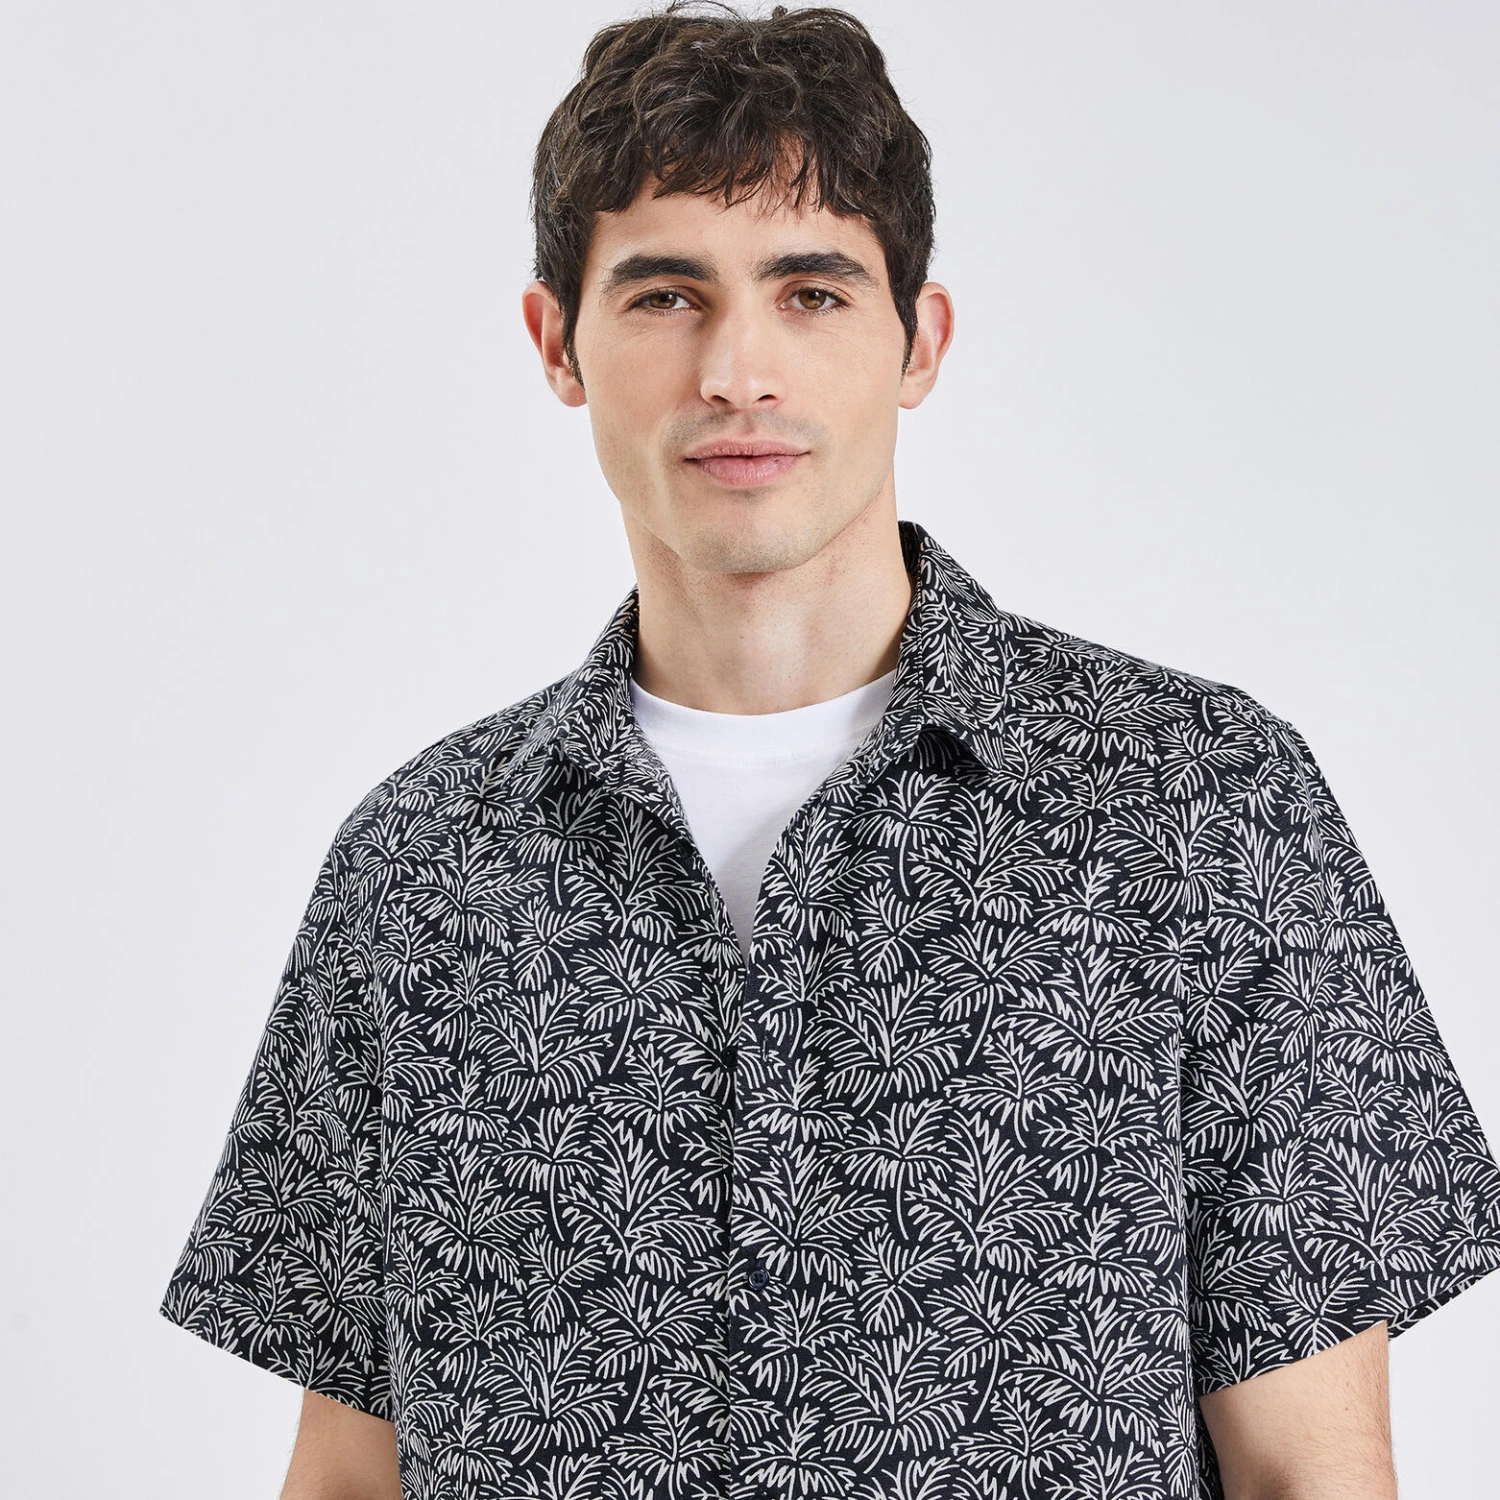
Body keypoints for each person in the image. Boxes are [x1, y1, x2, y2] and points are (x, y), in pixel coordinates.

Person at [157, 5, 1500, 1498]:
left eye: (810, 293)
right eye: (666, 295)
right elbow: (349, 1476)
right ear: (557, 343)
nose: (738, 371)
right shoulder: (418, 870)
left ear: (919, 341)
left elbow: (1315, 1474)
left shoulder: (1201, 805)